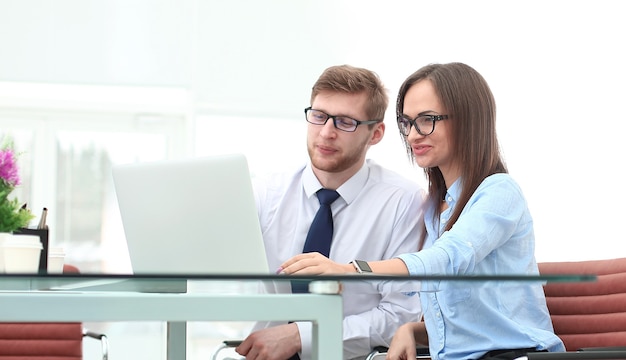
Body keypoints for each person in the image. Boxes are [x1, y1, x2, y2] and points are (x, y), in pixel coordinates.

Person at [280, 62, 566, 360]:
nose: (414, 135)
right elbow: (466, 321)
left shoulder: (500, 192)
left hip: (516, 354)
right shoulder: (434, 208)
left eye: (427, 120)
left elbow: (446, 260)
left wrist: (350, 270)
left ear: (468, 120)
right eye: (408, 122)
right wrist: (411, 331)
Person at [234, 64, 426, 360]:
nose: (326, 132)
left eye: (345, 122)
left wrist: (301, 336)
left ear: (375, 133)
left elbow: (400, 314)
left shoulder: (404, 202)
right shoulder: (267, 191)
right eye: (319, 116)